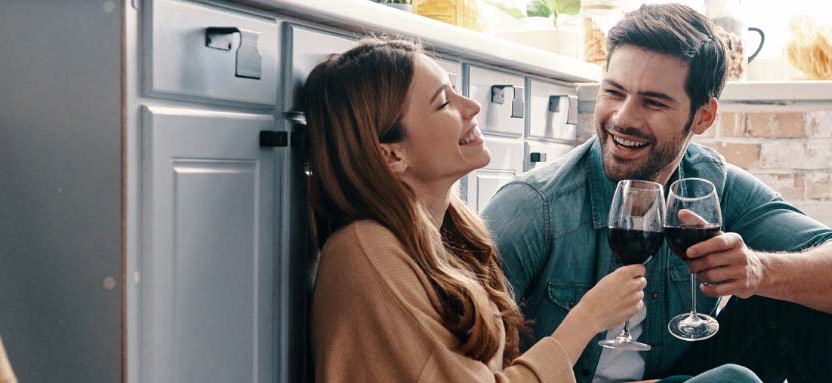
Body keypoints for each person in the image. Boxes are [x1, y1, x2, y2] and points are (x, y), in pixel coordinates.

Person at [305, 38, 759, 383]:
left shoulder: (447, 233)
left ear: (702, 117)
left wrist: (755, 269)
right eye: (444, 102)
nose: (473, 105)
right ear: (391, 155)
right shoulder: (367, 251)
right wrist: (587, 318)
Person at [482, 5, 832, 383]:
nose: (623, 118)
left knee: (794, 307)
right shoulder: (535, 207)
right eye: (614, 92)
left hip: (670, 374)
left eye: (653, 102)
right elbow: (462, 364)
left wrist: (758, 272)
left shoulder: (711, 187)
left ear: (703, 116)